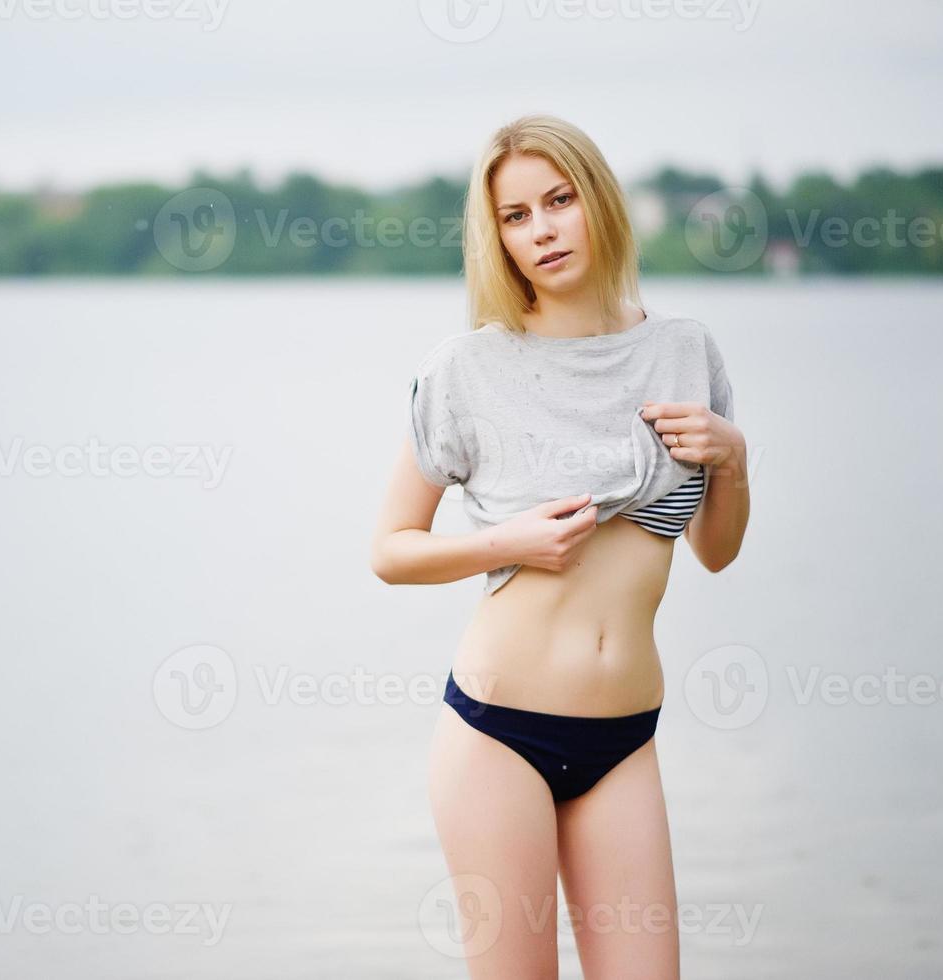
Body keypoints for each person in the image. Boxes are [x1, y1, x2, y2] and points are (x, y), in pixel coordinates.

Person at [369, 114, 751, 980]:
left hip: (625, 738)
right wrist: (505, 542)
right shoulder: (467, 370)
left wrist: (733, 458)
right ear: (494, 237)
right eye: (513, 216)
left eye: (558, 200)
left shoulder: (685, 352)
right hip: (498, 736)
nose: (540, 229)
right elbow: (389, 549)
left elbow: (716, 551)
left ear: (598, 204)